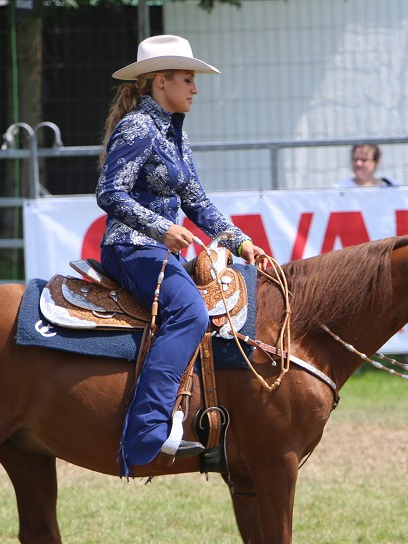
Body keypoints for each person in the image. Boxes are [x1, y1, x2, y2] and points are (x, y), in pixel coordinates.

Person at [96, 34, 271, 477]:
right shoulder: (137, 127)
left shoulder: (175, 133)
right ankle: (148, 429)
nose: (195, 88)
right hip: (130, 249)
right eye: (188, 80)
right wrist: (160, 227)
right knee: (191, 313)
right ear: (160, 82)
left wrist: (239, 241)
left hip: (157, 249)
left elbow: (197, 202)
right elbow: (108, 193)